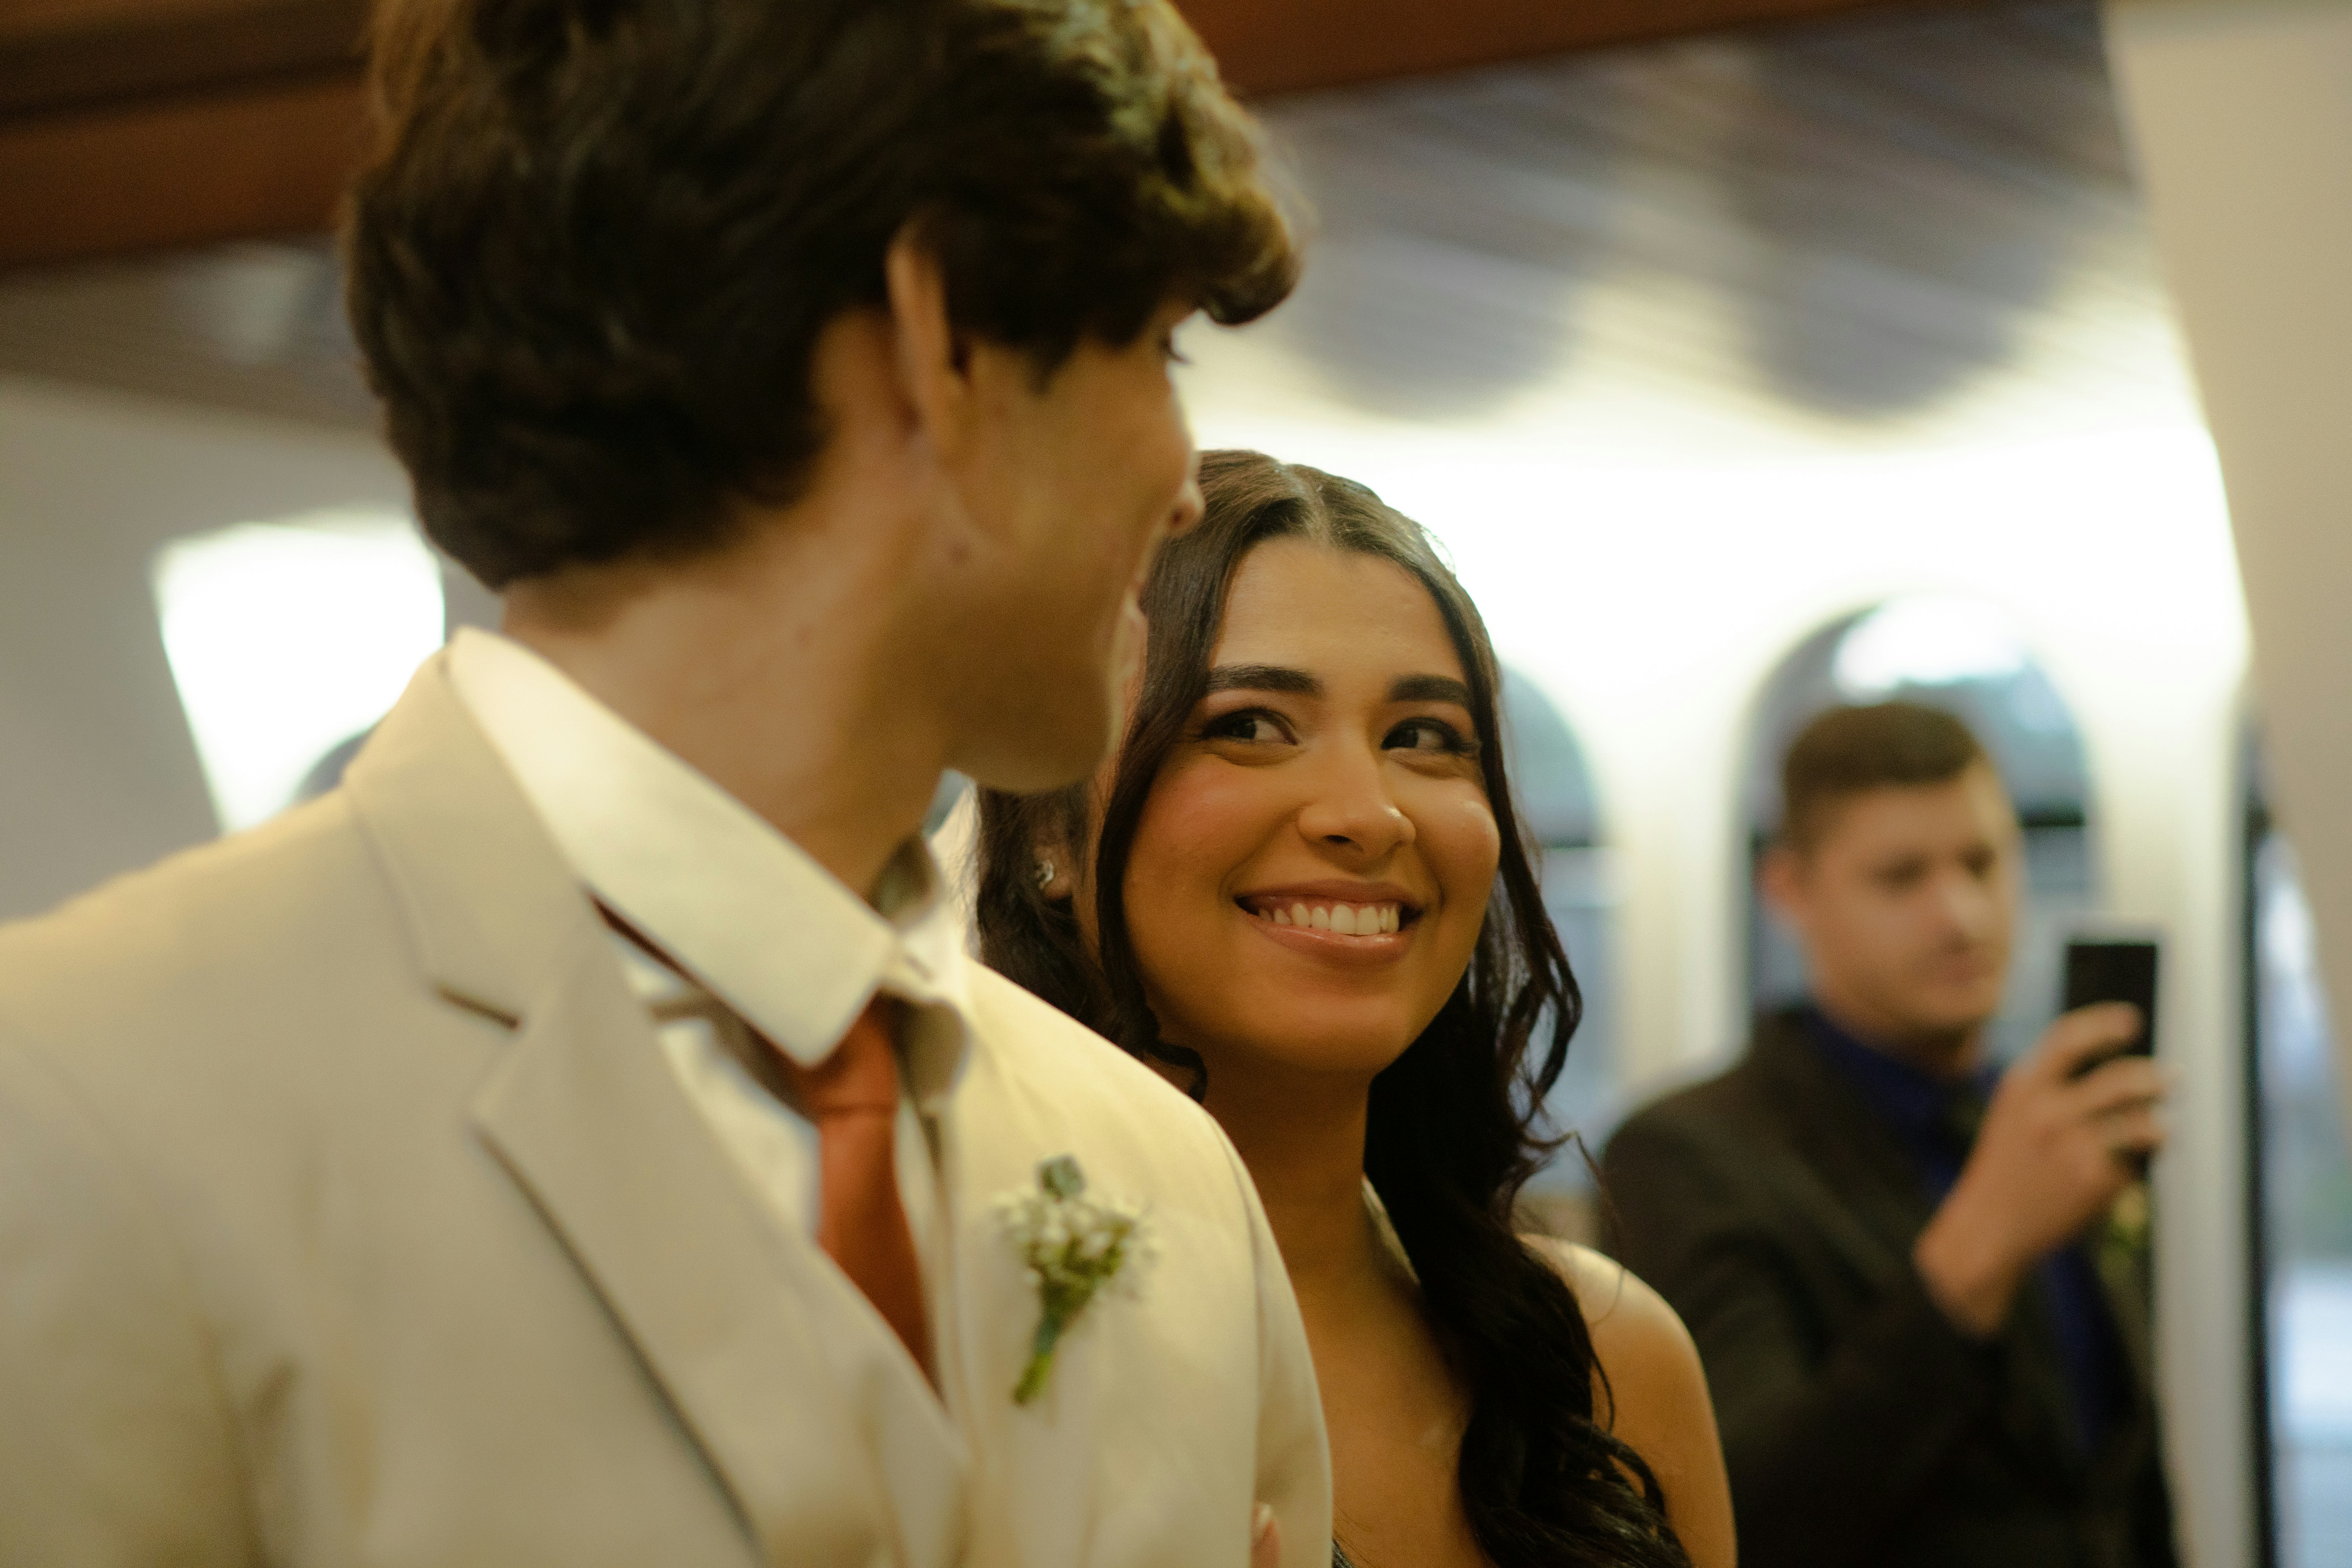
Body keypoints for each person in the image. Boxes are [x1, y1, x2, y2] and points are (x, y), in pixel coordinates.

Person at [0, 4, 1332, 1565]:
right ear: (945, 340)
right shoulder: (78, 1112)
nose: (1184, 479)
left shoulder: (1155, 1172)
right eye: (1154, 349)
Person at [975, 450, 1736, 1568]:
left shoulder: (1608, 1360)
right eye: (1250, 724)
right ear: (1046, 825)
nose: (1369, 814)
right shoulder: (944, 1325)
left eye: (1424, 739)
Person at [1603, 702, 2176, 1568]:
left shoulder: (2039, 1120)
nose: (1962, 914)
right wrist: (1977, 1250)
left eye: (1982, 863)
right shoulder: (1687, 1153)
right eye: (1902, 877)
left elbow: (2111, 1474)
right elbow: (1747, 1515)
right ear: (1791, 889)